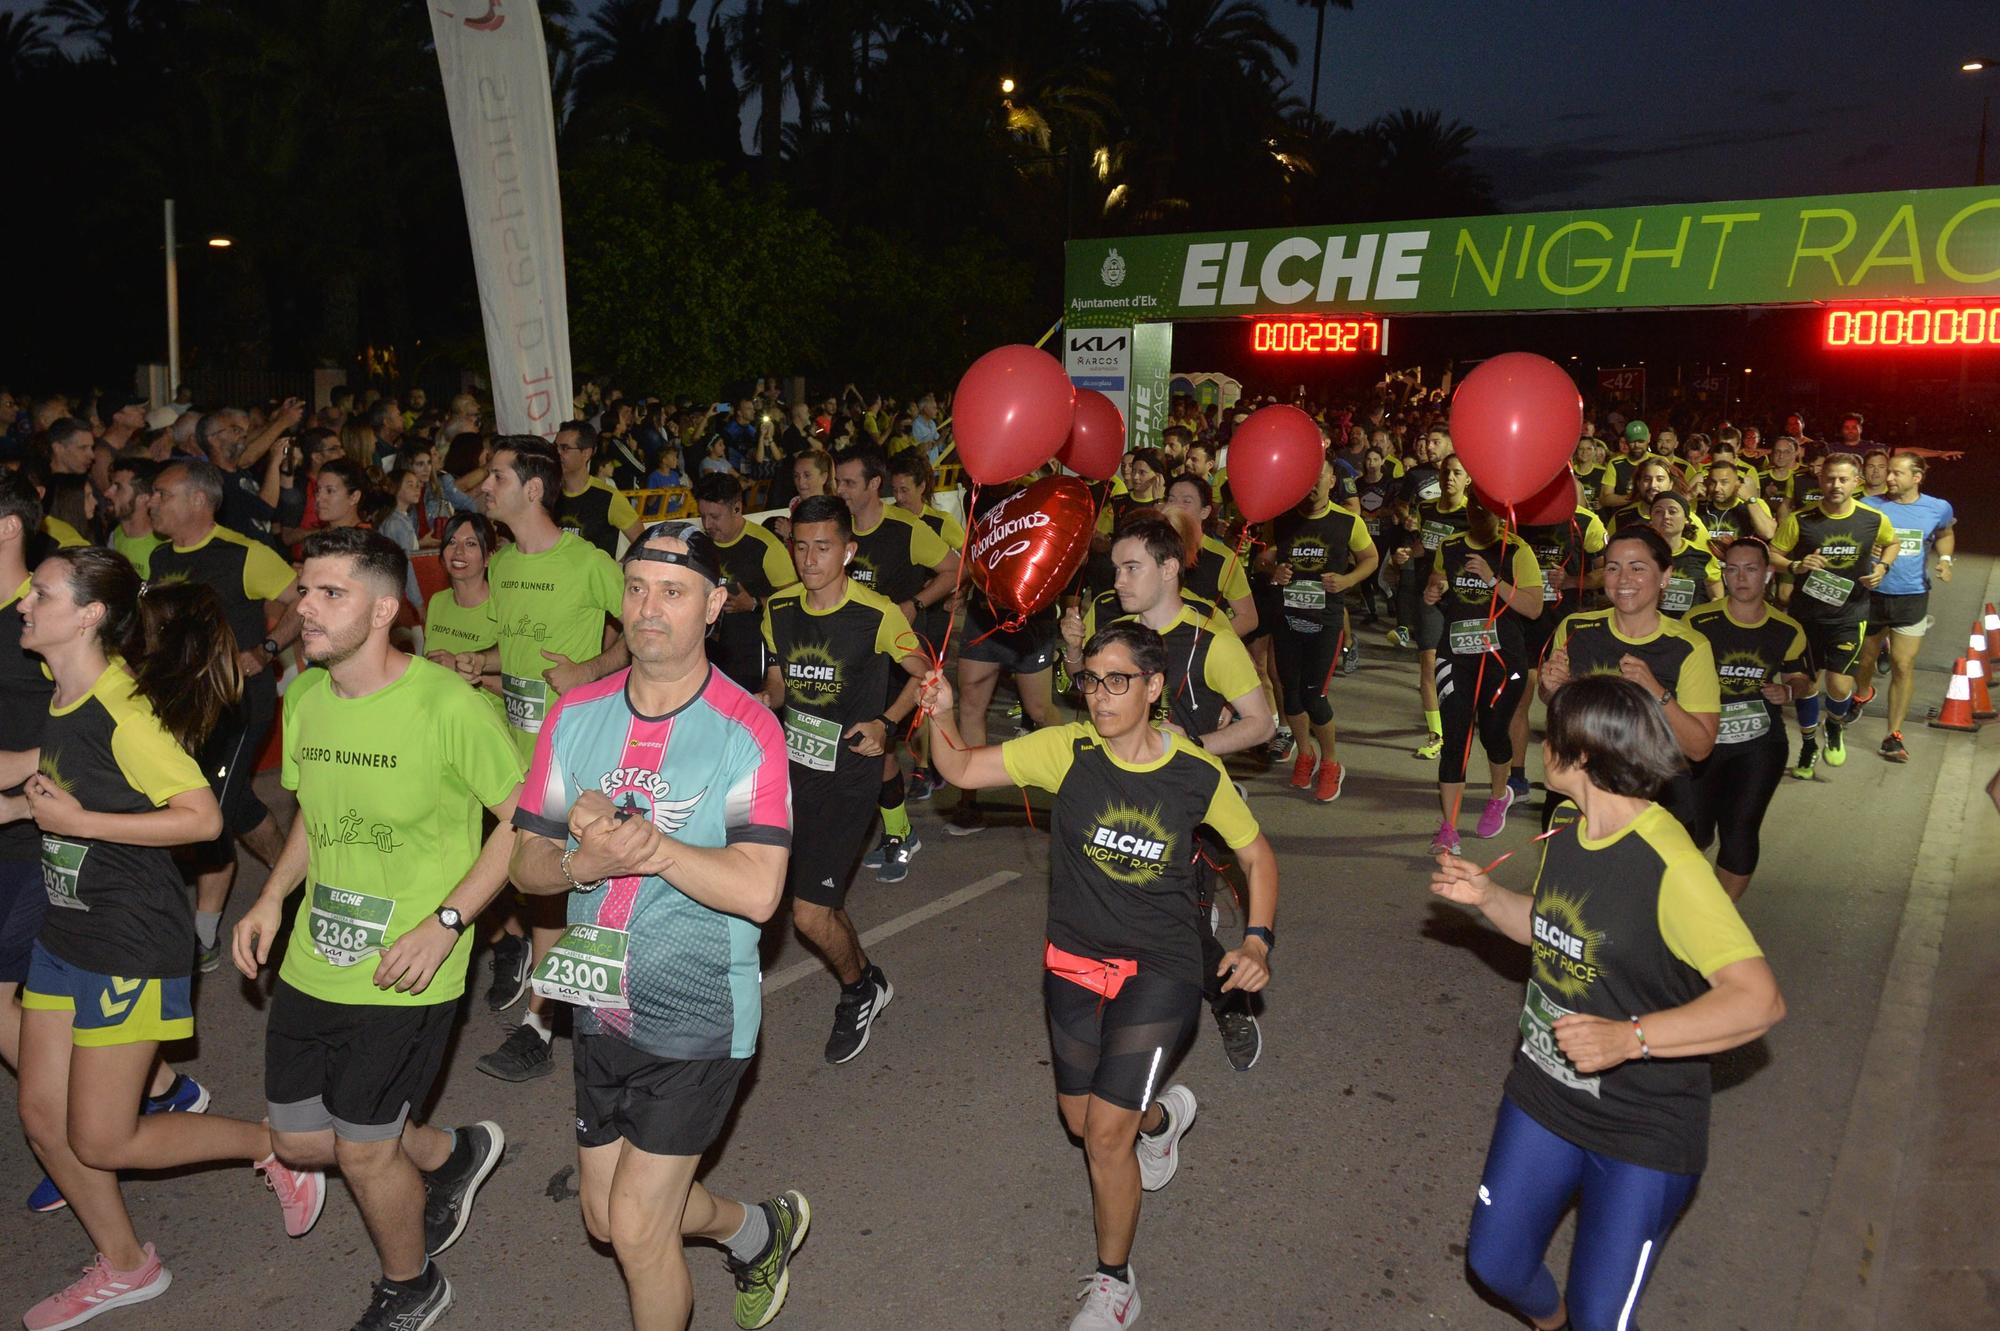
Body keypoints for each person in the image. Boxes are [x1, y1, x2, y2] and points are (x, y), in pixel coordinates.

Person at [918, 622, 1277, 1331]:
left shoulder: (1196, 772)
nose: (1101, 694)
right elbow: (960, 768)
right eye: (1091, 679)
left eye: (1118, 680)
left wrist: (1258, 938)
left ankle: (1115, 1281)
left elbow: (1258, 856)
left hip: (1163, 966)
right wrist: (936, 712)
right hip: (1074, 960)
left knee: (1106, 1139)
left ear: (1152, 687)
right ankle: (1163, 1116)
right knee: (1085, 1122)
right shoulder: (1067, 751)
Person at [12, 547, 324, 1329]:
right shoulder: (67, 692)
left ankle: (276, 1146)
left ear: (86, 614)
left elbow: (201, 816)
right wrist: (22, 803)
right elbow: (53, 762)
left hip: (131, 940)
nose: (24, 600)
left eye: (39, 591)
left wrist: (75, 820)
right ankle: (126, 1265)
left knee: (103, 1135)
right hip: (67, 928)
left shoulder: (124, 708)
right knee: (44, 1119)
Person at [509, 520, 808, 1331]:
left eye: (673, 592)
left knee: (639, 1228)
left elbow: (758, 891)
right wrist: (582, 865)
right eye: (636, 588)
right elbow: (524, 861)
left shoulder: (749, 730)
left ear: (714, 604)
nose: (649, 608)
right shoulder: (575, 716)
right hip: (598, 1004)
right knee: (607, 1219)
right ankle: (756, 1227)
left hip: (698, 1015)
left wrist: (649, 846)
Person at [228, 529, 520, 1331]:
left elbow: (523, 822)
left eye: (329, 594)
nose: (303, 609)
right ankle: (448, 1153)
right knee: (298, 1142)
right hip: (317, 955)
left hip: (411, 964)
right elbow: (314, 818)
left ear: (385, 607)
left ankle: (411, 1283)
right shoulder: (309, 696)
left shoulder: (450, 706)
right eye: (303, 591)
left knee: (360, 1149)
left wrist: (448, 922)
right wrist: (272, 900)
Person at [1430, 675, 1785, 1331]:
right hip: (1544, 1092)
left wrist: (1632, 1038)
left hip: (1642, 1127)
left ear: (1583, 755)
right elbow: (1553, 925)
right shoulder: (1568, 831)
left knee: (1604, 1318)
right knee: (1497, 1261)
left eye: (1549, 733)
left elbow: (1759, 1001)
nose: (1539, 743)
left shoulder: (1671, 864)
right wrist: (1486, 899)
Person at [1065, 509, 1275, 1071]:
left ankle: (1229, 1001)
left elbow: (1262, 724)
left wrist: (1197, 742)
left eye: (1131, 568)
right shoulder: (1105, 615)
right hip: (1109, 802)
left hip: (1182, 814)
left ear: (1170, 569)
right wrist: (1070, 651)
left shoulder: (1212, 640)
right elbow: (1081, 689)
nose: (1117, 581)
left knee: (1178, 924)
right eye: (1114, 569)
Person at [466, 437, 630, 1082]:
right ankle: (553, 1010)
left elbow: (645, 633)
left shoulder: (589, 562)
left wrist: (591, 667)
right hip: (514, 748)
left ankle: (539, 1022)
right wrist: (478, 663)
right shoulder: (502, 566)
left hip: (576, 747)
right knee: (541, 884)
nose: (485, 485)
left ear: (534, 489)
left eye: (497, 475)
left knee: (553, 882)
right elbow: (518, 653)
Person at [759, 496, 927, 1063]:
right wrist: (762, 701)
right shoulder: (777, 608)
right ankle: (862, 977)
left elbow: (923, 675)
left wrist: (887, 723)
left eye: (823, 546)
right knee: (776, 893)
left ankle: (860, 988)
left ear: (848, 551)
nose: (809, 559)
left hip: (849, 776)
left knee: (807, 913)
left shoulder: (878, 614)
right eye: (800, 546)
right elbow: (780, 683)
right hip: (787, 771)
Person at [148, 458, 300, 971]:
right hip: (185, 704)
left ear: (198, 500)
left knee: (210, 809)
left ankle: (204, 934)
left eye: (162, 494)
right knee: (234, 804)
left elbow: (303, 596)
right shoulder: (158, 558)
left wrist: (267, 647)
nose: (153, 503)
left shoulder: (244, 554)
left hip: (239, 704)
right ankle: (293, 876)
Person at [1537, 526, 1720, 830]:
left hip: (1653, 801)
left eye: (1637, 568)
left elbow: (1700, 747)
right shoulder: (1576, 629)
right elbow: (1556, 707)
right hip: (1579, 799)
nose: (1623, 580)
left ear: (1665, 576)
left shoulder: (1689, 646)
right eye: (1613, 568)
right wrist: (1550, 689)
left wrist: (1656, 692)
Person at [832, 449, 959, 882]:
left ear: (874, 485)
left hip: (897, 657)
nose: (840, 491)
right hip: (848, 656)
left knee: (879, 744)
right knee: (859, 747)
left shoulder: (906, 529)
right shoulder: (837, 528)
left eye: (849, 483)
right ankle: (888, 830)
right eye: (837, 482)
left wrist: (916, 602)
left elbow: (954, 569)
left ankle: (900, 833)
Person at [1686, 540, 1812, 900]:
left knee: (1740, 828)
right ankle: (1683, 900)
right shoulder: (1698, 620)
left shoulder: (1787, 629)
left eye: (1751, 569)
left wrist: (1788, 692)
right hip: (1702, 742)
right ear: (1723, 575)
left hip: (1759, 744)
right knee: (1694, 832)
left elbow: (1801, 679)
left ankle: (1718, 916)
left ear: (1768, 574)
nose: (1740, 578)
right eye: (1732, 569)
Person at [1423, 493, 1543, 854]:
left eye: (1488, 507)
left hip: (1503, 660)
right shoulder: (1451, 545)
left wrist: (1493, 580)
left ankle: (1498, 795)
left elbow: (1534, 608)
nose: (1480, 513)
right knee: (1455, 739)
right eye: (1474, 506)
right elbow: (1437, 580)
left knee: (1494, 732)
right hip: (1456, 655)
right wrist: (1435, 590)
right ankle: (1448, 828)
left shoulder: (1517, 550)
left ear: (1501, 511)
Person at [1767, 452, 1897, 778]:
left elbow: (1892, 543)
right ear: (1820, 480)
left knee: (1839, 686)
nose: (1835, 485)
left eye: (1843, 479)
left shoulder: (1872, 519)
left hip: (1850, 614)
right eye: (1829, 478)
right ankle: (1810, 743)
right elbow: (1773, 553)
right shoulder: (1800, 519)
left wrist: (1882, 567)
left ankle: (1835, 725)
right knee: (1804, 685)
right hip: (1806, 616)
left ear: (1857, 482)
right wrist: (1796, 565)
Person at [1262, 459, 1378, 801]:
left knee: (1315, 696)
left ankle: (1331, 763)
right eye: (1306, 476)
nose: (1312, 483)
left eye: (1318, 476)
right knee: (1291, 695)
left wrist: (1346, 580)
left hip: (1325, 622)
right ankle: (1305, 754)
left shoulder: (1347, 522)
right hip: (1286, 618)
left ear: (1331, 480)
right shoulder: (1282, 518)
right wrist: (1274, 570)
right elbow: (1264, 558)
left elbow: (1370, 559)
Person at [1849, 453, 1955, 763]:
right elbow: (1851, 541)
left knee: (1902, 664)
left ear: (1917, 477)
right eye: (1888, 472)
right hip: (1871, 593)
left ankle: (1893, 736)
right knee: (1865, 658)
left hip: (1912, 595)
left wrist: (1945, 561)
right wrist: (1868, 548)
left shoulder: (1938, 508)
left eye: (1896, 473)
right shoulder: (1870, 506)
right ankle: (1863, 691)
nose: (1889, 478)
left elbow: (1946, 533)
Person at [1508, 481, 1605, 800]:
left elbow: (1604, 574)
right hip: (1525, 625)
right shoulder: (1519, 520)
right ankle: (1517, 778)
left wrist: (1574, 580)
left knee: (1563, 709)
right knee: (1520, 698)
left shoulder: (1587, 522)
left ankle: (1567, 781)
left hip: (1568, 629)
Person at [697, 473, 800, 695]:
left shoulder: (766, 547)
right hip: (707, 655)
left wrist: (753, 603)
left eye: (715, 516)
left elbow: (794, 603)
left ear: (737, 508)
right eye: (702, 516)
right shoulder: (701, 545)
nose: (707, 524)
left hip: (752, 658)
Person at [1402, 453, 1471, 759]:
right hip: (1427, 594)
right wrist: (1406, 555)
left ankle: (1463, 722)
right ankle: (1435, 734)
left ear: (1468, 479)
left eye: (1457, 473)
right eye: (1446, 472)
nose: (1450, 478)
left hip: (1463, 599)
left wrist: (1450, 581)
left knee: (1458, 668)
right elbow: (1422, 548)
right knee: (1428, 664)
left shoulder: (1474, 515)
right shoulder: (1427, 508)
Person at [1163, 473, 1256, 635]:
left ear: (1205, 512)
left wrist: (1210, 643)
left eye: (1186, 501)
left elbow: (1248, 618)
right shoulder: (1152, 548)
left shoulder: (1222, 558)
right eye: (1171, 500)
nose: (1176, 507)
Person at [555, 421, 645, 556]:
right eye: (555, 447)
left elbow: (641, 542)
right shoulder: (548, 494)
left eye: (565, 448)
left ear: (586, 453)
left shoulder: (608, 497)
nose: (557, 453)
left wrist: (616, 569)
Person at [1646, 492, 1721, 619]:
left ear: (1686, 518)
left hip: (1688, 628)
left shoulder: (1703, 556)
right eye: (1658, 512)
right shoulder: (1638, 554)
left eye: (1673, 511)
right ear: (1651, 518)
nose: (1666, 516)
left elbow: (1715, 590)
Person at [105, 459, 164, 578]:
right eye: (111, 485)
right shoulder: (115, 536)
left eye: (118, 487)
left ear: (144, 498)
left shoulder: (163, 547)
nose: (107, 493)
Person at [1697, 456, 1775, 541]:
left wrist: (1749, 499)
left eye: (1724, 482)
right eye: (1713, 482)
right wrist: (1689, 496)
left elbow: (1768, 534)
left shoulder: (1754, 503)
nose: (1717, 488)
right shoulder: (1698, 504)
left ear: (1737, 484)